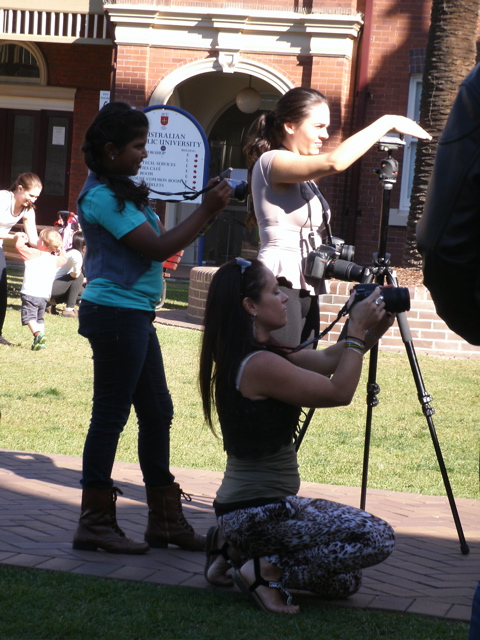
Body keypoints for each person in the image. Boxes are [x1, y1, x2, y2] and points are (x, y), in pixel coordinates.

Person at [72, 101, 231, 555]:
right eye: (138, 145)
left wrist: (206, 208)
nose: (145, 153)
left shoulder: (116, 189)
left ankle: (163, 521)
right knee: (110, 417)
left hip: (134, 314)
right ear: (110, 150)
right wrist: (207, 211)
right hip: (115, 314)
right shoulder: (101, 196)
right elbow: (155, 248)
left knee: (158, 412)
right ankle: (95, 521)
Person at [199, 257, 397, 614]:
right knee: (376, 537)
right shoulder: (258, 365)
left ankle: (232, 551)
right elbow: (338, 393)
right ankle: (261, 569)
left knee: (345, 582)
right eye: (275, 291)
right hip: (256, 514)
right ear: (250, 307)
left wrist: (368, 332)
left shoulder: (265, 353)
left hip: (272, 508)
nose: (286, 298)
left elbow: (326, 361)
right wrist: (354, 334)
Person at [245, 87, 432, 347]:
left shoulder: (304, 176)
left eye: (327, 127)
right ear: (289, 125)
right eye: (318, 126)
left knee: (305, 368)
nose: (325, 134)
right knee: (284, 366)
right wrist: (387, 121)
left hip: (306, 282)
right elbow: (335, 162)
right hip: (279, 281)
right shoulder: (272, 161)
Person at [0, 173, 42, 346]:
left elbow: (33, 238)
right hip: (3, 240)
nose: (33, 200)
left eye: (37, 197)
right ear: (19, 189)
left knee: (1, 289)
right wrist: (13, 237)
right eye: (31, 195)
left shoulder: (28, 208)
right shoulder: (3, 198)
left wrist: (48, 243)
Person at [14, 227, 66, 350]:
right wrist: (61, 248)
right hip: (44, 295)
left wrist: (20, 237)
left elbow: (19, 247)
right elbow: (64, 258)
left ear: (42, 243)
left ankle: (38, 335)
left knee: (29, 317)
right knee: (39, 317)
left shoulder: (33, 254)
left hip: (30, 293)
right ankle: (41, 342)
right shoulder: (55, 260)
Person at [49, 231, 86, 317]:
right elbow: (76, 276)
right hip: (50, 287)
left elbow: (73, 282)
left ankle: (50, 303)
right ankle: (69, 310)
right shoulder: (76, 254)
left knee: (84, 293)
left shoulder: (71, 252)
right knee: (79, 276)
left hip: (55, 286)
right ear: (84, 247)